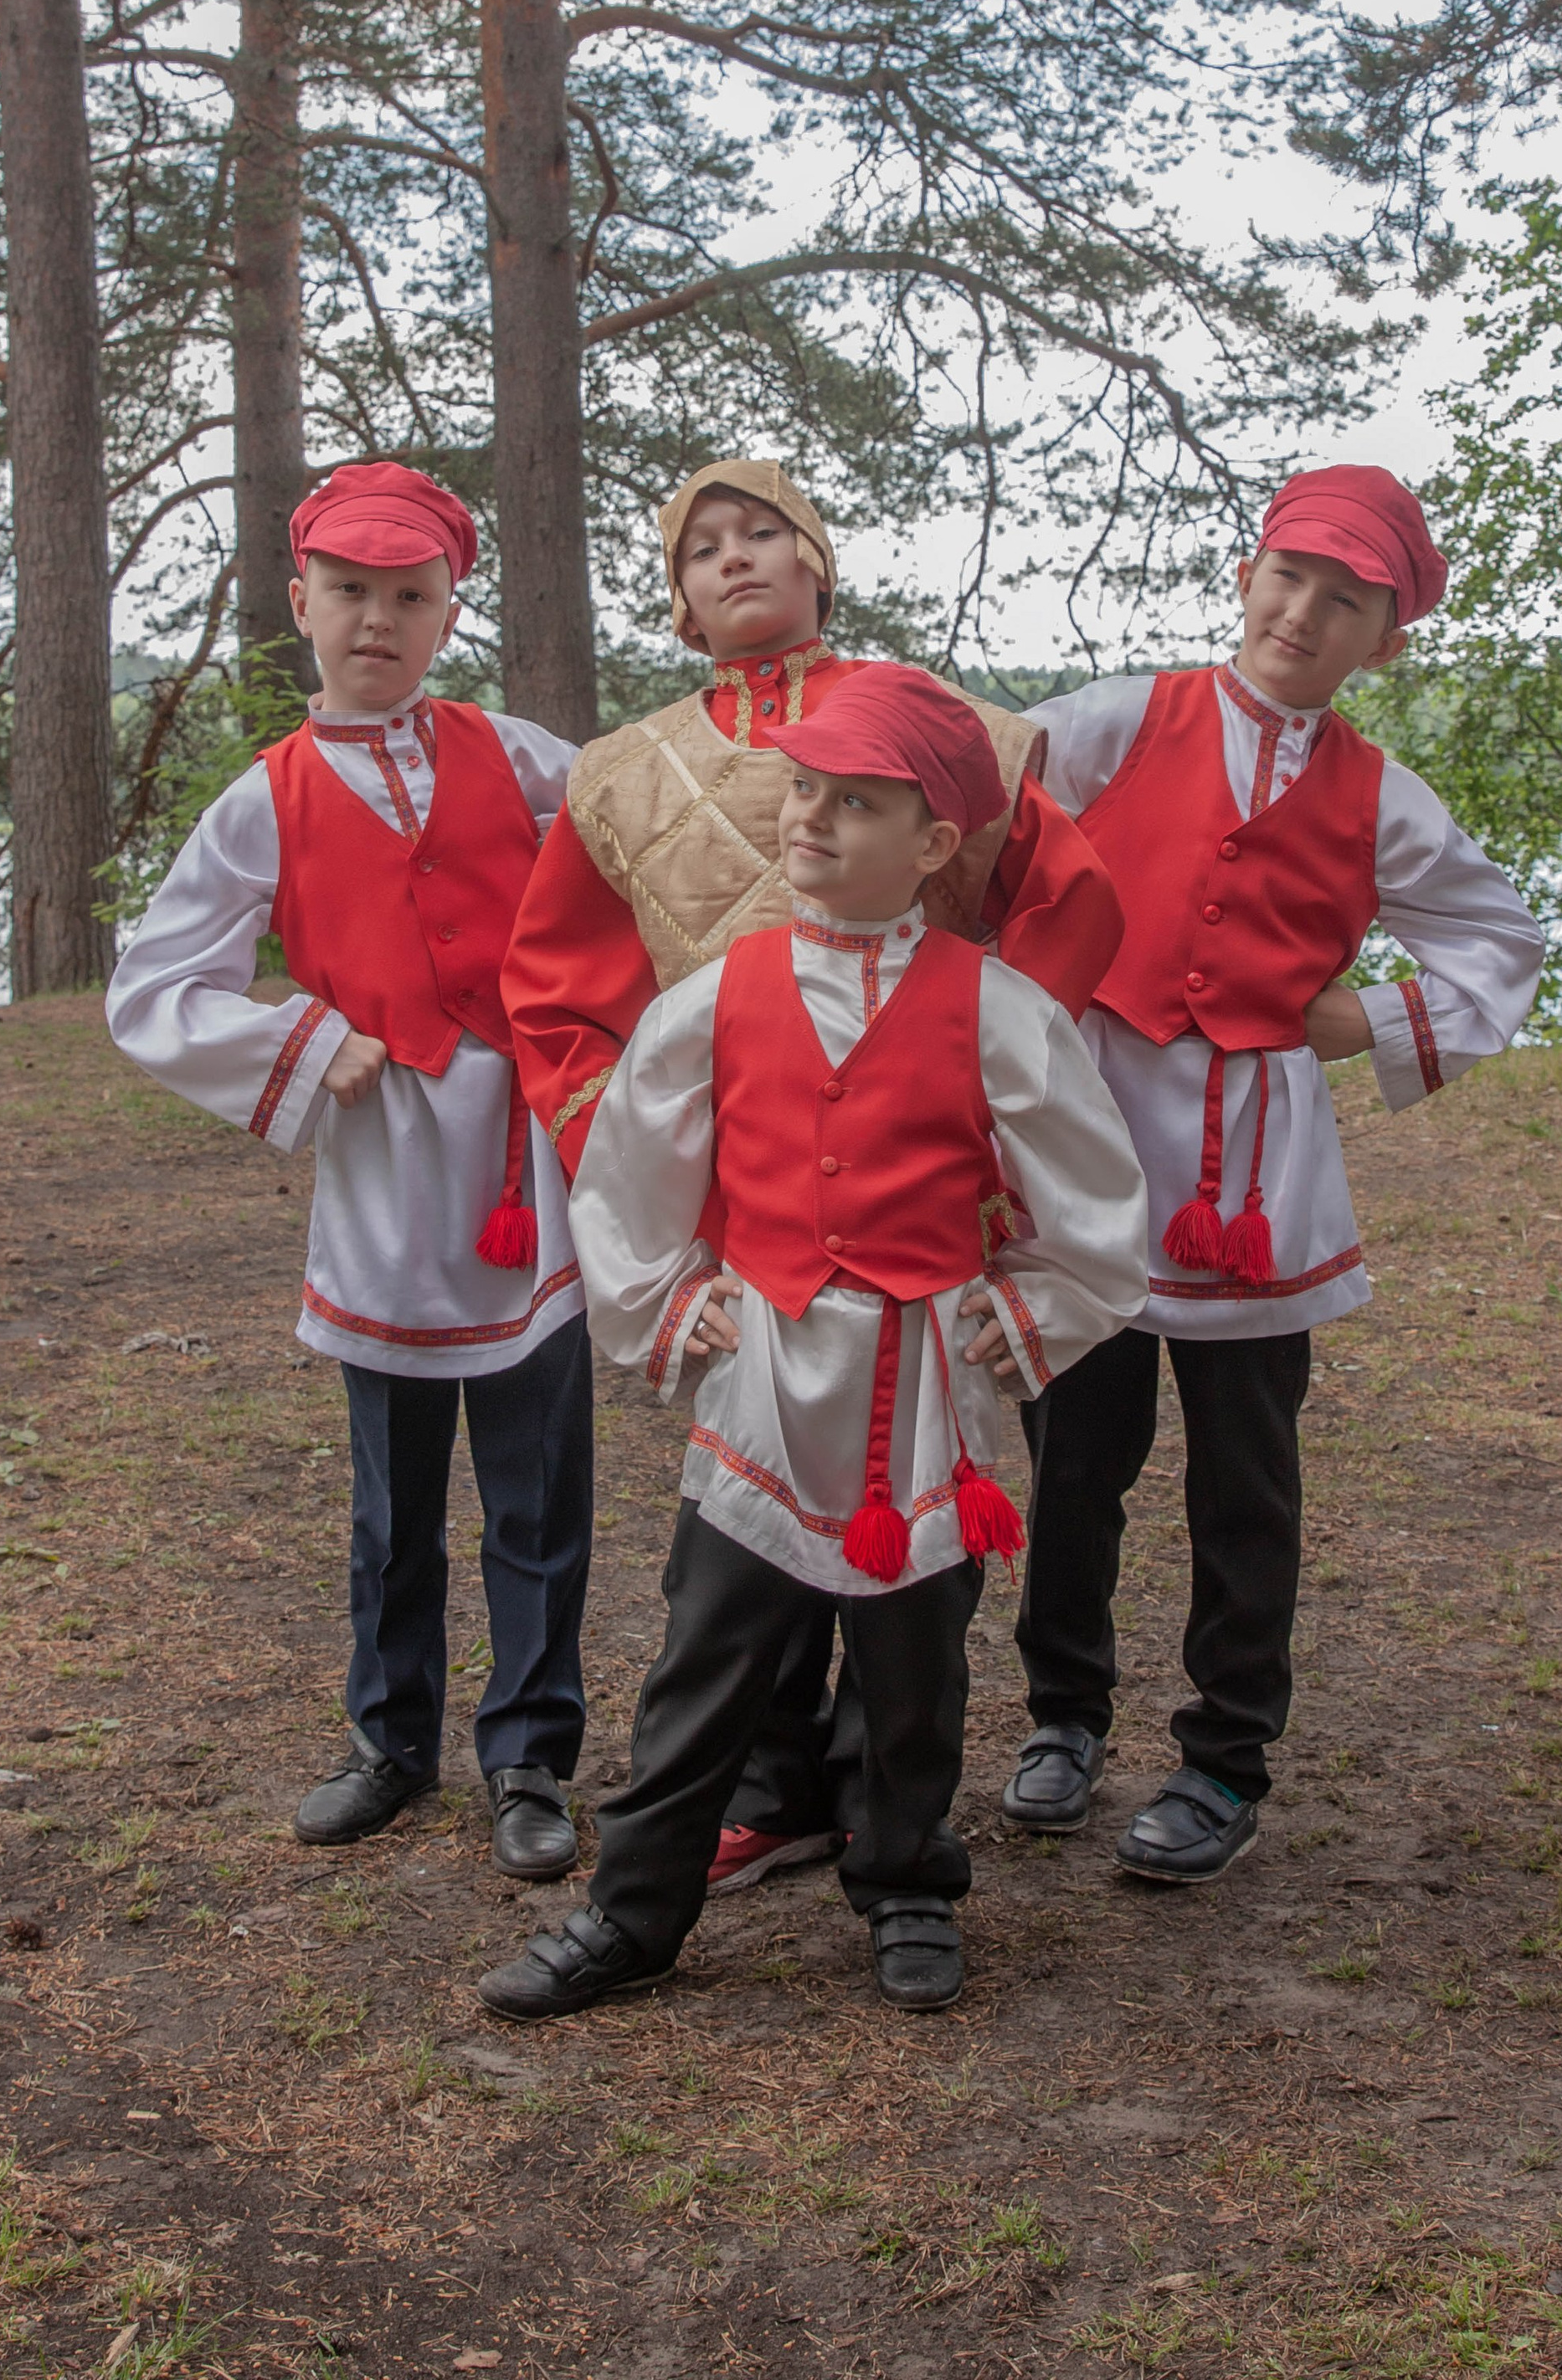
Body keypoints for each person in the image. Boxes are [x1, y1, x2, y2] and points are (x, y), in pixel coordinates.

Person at [478, 664, 1148, 2022]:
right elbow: (627, 1171)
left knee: (914, 1673)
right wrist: (674, 1300)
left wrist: (1019, 1311)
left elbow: (1095, 1199)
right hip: (772, 1379)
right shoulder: (719, 998)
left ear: (936, 844)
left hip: (921, 1401)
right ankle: (634, 1908)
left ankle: (907, 1879)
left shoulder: (995, 1008)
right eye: (803, 791)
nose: (812, 822)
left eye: (855, 802)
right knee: (704, 1659)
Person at [999, 465, 1544, 1880]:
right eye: (1289, 576)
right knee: (1074, 1460)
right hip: (1104, 1143)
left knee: (1247, 1480)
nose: (1303, 612)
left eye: (1346, 598)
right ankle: (1062, 1714)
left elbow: (1498, 936)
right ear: (1249, 576)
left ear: (1387, 637)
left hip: (1258, 1179)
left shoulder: (1383, 798)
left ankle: (1224, 1759)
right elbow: (976, 809)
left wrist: (1362, 1018)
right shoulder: (1119, 720)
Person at [105, 462, 591, 1879]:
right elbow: (154, 986)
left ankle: (531, 1753)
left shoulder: (522, 752)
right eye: (352, 593)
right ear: (303, 602)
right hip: (385, 1169)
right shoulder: (266, 800)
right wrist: (305, 1038)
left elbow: (640, 865)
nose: (378, 621)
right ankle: (390, 1738)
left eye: (411, 597)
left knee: (539, 1490)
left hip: (523, 1164)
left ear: (448, 611)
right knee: (394, 1496)